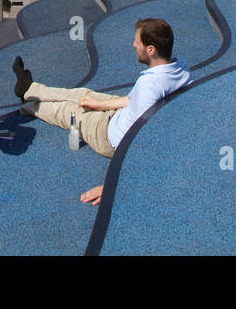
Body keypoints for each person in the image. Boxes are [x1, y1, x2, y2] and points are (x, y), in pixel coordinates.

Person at [11, 18, 190, 205]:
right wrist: (100, 105)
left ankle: (29, 106)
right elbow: (134, 100)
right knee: (84, 94)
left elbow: (142, 144)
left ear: (151, 50)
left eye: (138, 42)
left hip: (107, 135)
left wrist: (113, 187)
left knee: (68, 111)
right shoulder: (180, 67)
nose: (134, 45)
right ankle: (28, 89)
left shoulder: (149, 87)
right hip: (123, 112)